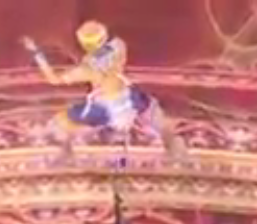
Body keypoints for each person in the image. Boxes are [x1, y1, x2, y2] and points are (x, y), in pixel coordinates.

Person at [21, 22, 184, 158]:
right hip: (128, 98)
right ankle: (171, 140)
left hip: (105, 108)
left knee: (60, 122)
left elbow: (54, 79)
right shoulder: (119, 47)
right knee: (153, 111)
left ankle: (66, 149)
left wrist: (36, 52)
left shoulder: (86, 69)